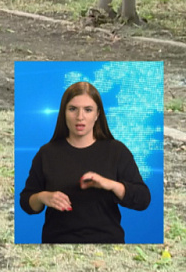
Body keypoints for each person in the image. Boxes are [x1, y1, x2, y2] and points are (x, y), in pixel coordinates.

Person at [19, 82, 151, 244]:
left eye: (88, 110)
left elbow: (143, 199)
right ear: (63, 113)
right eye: (73, 109)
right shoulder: (46, 153)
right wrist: (42, 197)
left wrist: (111, 185)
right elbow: (26, 203)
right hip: (57, 245)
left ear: (97, 114)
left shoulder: (117, 151)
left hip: (108, 244)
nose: (80, 117)